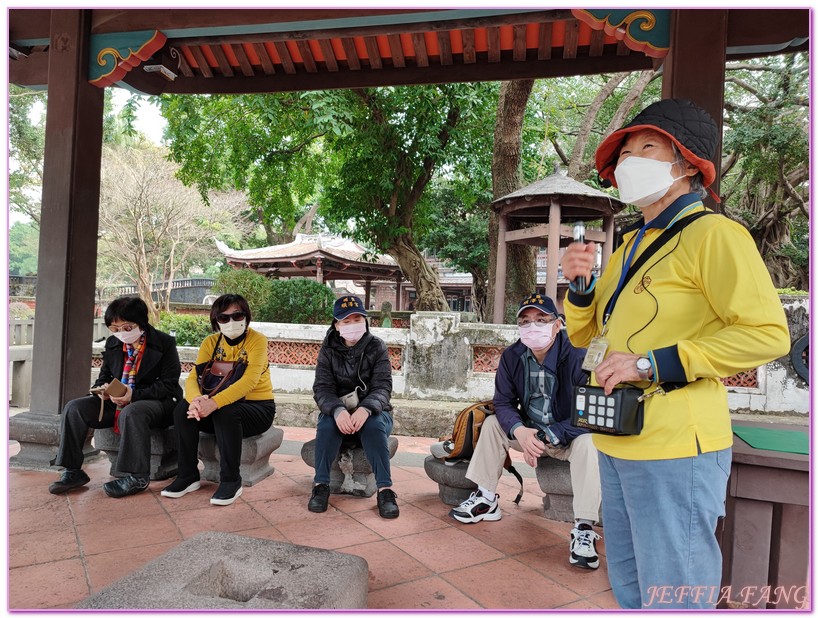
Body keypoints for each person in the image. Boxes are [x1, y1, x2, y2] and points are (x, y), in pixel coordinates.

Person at [562, 98, 790, 609]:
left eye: (647, 147)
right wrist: (579, 288)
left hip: (675, 445)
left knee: (675, 590)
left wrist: (651, 363)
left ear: (687, 166)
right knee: (630, 582)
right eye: (624, 153)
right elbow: (585, 336)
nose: (629, 162)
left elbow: (767, 334)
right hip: (617, 438)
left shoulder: (716, 235)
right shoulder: (628, 247)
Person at [448, 293, 602, 570]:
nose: (533, 327)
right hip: (528, 430)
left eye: (541, 320)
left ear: (557, 324)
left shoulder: (578, 354)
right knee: (494, 423)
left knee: (591, 443)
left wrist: (546, 436)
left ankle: (584, 526)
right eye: (525, 321)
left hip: (569, 434)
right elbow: (503, 402)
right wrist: (519, 431)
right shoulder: (512, 355)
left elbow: (587, 414)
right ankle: (486, 498)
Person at [49, 296, 182, 498]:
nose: (121, 333)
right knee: (74, 407)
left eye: (127, 327)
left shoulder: (164, 343)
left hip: (157, 403)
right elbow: (104, 377)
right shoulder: (113, 344)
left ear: (141, 323)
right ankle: (72, 470)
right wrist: (102, 390)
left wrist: (134, 395)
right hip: (116, 401)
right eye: (115, 328)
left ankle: (137, 477)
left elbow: (169, 384)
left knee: (133, 411)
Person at [160, 294, 276, 506]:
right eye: (223, 318)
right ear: (216, 321)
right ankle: (187, 476)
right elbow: (195, 377)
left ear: (246, 316)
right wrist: (196, 402)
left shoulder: (257, 341)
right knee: (182, 410)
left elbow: (249, 381)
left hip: (256, 408)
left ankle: (231, 480)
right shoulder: (210, 343)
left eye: (237, 315)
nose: (231, 322)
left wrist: (213, 403)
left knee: (226, 411)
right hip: (213, 406)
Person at [309, 295, 399, 518]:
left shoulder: (377, 347)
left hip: (374, 414)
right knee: (327, 424)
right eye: (345, 321)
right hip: (339, 415)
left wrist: (365, 409)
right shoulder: (328, 350)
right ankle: (321, 485)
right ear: (336, 325)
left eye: (357, 319)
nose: (352, 325)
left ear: (365, 321)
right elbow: (322, 388)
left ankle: (385, 489)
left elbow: (383, 387)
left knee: (374, 424)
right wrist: (338, 410)